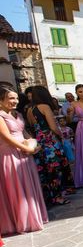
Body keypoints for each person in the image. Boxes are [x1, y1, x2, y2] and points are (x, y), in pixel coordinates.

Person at [0, 85, 48, 236]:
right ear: (1, 100)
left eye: (16, 98)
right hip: (10, 155)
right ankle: (22, 221)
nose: (14, 101)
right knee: (17, 187)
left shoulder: (17, 114)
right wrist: (25, 148)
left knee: (28, 184)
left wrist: (33, 143)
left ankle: (33, 216)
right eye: (10, 98)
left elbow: (24, 132)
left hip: (25, 152)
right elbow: (6, 137)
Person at [27, 86, 75, 205]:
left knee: (46, 169)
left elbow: (32, 128)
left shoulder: (29, 110)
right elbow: (53, 127)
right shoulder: (45, 107)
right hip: (50, 140)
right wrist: (61, 136)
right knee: (57, 167)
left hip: (39, 141)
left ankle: (51, 195)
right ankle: (59, 195)